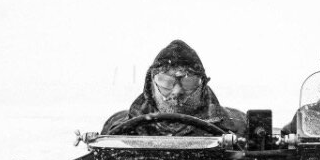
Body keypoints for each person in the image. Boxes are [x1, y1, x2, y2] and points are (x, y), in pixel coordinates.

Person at [102, 40, 246, 137]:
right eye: (166, 81)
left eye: (188, 81)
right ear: (150, 86)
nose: (177, 91)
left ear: (202, 85)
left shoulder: (240, 126)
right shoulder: (118, 129)